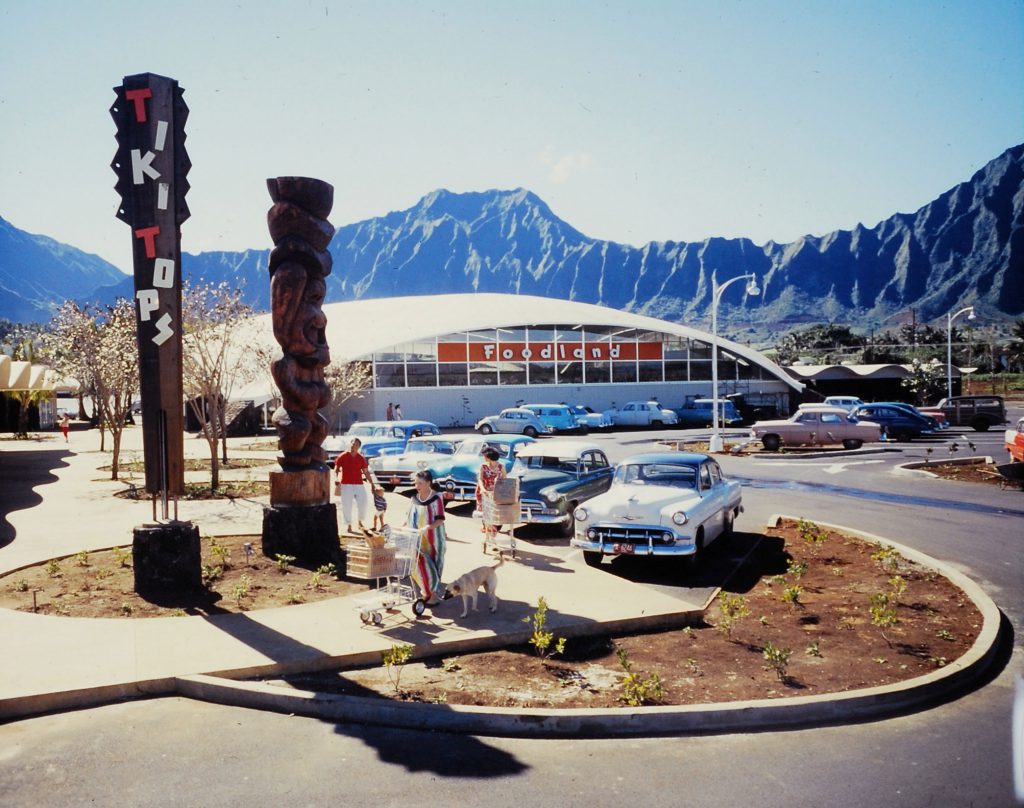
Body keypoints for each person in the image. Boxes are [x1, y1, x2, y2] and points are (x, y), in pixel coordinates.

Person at [406, 469, 447, 606]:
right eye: (416, 483)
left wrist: (428, 527)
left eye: (420, 483)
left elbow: (440, 519)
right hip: (417, 538)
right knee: (419, 564)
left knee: (434, 566)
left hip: (434, 539)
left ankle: (433, 595)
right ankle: (426, 591)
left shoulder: (437, 497)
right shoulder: (414, 498)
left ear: (429, 483)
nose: (417, 486)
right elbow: (409, 516)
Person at [333, 438, 381, 535]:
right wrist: (336, 478)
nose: (353, 446)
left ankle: (360, 521)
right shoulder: (343, 456)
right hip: (346, 483)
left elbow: (366, 472)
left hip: (359, 483)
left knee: (363, 502)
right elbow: (336, 468)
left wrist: (372, 484)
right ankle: (349, 524)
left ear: (358, 447)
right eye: (352, 444)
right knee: (346, 504)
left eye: (355, 445)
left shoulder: (360, 458)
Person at [476, 446, 506, 551]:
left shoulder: (501, 467)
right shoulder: (483, 466)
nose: (484, 458)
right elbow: (480, 479)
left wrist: (500, 482)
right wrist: (483, 489)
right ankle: (490, 539)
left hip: (497, 495)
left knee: (497, 517)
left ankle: (492, 538)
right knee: (487, 517)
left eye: (485, 456)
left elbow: (505, 481)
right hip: (485, 494)